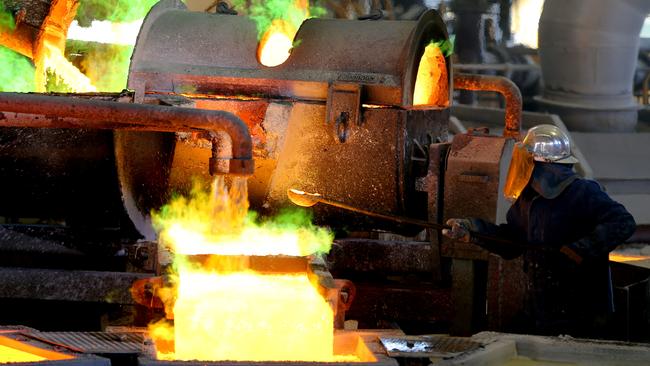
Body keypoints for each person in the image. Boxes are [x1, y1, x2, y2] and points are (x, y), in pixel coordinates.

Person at [442, 124, 636, 338]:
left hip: (581, 311)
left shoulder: (582, 192)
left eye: (526, 161)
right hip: (540, 308)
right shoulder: (528, 199)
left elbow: (623, 221)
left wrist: (582, 248)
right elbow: (513, 241)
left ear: (541, 165)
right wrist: (472, 231)